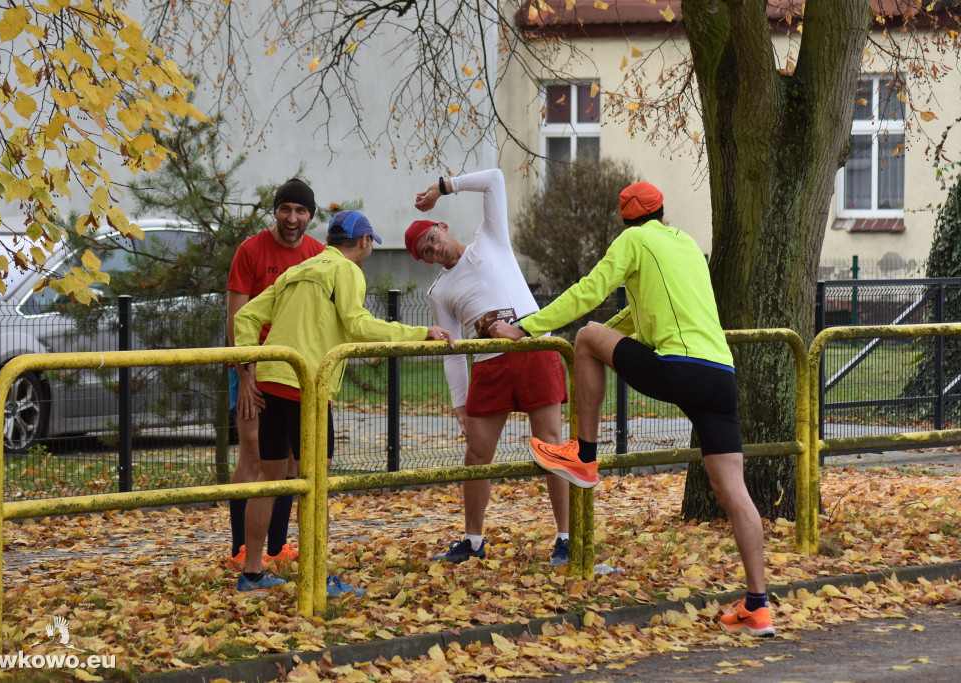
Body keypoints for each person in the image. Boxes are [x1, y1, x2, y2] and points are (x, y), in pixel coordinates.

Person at [489, 181, 774, 637]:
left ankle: (583, 455)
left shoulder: (632, 240)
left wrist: (525, 328)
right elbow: (637, 318)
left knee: (583, 338)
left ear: (625, 222)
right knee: (734, 491)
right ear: (662, 211)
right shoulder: (683, 244)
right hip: (721, 374)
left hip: (679, 366)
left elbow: (588, 291)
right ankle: (758, 605)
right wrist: (605, 329)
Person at [234, 209, 456, 594]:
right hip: (307, 387)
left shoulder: (297, 270)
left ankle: (251, 574)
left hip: (272, 379)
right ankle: (316, 578)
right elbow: (358, 323)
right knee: (317, 483)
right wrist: (420, 333)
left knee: (267, 480)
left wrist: (249, 366)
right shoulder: (346, 271)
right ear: (365, 242)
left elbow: (246, 316)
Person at [403, 168, 571, 567]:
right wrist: (460, 404)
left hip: (533, 350)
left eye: (433, 238)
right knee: (477, 454)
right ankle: (473, 541)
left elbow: (496, 178)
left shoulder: (489, 240)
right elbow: (451, 350)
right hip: (490, 365)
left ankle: (566, 538)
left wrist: (443, 188)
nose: (435, 249)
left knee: (550, 444)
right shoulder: (439, 291)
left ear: (442, 226)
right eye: (425, 252)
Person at [225, 178, 325, 573]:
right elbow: (236, 318)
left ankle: (279, 547)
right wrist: (245, 373)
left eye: (300, 211)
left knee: (289, 463)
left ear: (310, 216)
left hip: (295, 372)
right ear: (275, 211)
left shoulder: (318, 254)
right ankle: (240, 549)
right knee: (253, 456)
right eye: (286, 209)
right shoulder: (250, 250)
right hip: (252, 368)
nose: (292, 218)